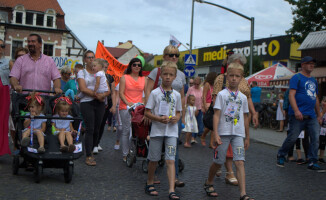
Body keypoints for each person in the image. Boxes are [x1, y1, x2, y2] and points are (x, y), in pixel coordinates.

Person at [204, 62, 254, 200]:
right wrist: (216, 134)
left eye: (237, 76)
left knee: (240, 162)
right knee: (219, 161)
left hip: (238, 134)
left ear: (241, 78)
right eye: (231, 75)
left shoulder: (243, 97)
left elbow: (245, 116)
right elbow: (216, 114)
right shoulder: (221, 95)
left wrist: (247, 137)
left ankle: (243, 194)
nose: (233, 78)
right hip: (223, 133)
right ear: (227, 76)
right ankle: (209, 182)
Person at [212, 53, 258, 185]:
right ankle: (229, 171)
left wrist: (253, 112)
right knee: (226, 148)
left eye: (242, 65)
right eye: (237, 64)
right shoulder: (221, 78)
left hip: (238, 118)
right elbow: (216, 97)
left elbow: (247, 97)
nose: (239, 67)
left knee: (234, 150)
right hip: (224, 119)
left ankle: (226, 169)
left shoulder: (243, 80)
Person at [145, 45, 186, 187]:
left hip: (173, 121)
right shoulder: (156, 71)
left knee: (173, 152)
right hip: (157, 116)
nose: (174, 57)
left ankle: (173, 181)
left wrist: (181, 116)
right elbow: (148, 90)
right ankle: (151, 175)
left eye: (176, 55)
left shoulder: (181, 74)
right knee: (154, 152)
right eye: (170, 54)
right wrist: (148, 112)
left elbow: (182, 96)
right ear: (164, 56)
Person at [276, 56, 324, 172]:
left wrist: (319, 115)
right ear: (303, 65)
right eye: (309, 63)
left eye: (313, 64)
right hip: (298, 115)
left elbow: (315, 98)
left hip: (311, 115)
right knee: (292, 137)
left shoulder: (313, 80)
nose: (311, 65)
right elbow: (292, 95)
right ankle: (281, 154)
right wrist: (297, 111)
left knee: (315, 138)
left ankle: (312, 161)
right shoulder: (296, 78)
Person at [77, 50, 110, 166]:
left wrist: (103, 96)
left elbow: (108, 89)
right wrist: (97, 95)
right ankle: (88, 155)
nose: (91, 59)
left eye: (92, 57)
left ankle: (92, 148)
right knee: (90, 128)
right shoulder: (82, 72)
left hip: (100, 102)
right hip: (87, 102)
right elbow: (83, 88)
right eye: (88, 57)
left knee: (97, 128)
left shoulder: (100, 72)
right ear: (84, 60)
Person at [119, 57, 146, 162]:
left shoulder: (144, 79)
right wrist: (127, 103)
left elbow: (145, 94)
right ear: (130, 66)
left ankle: (134, 150)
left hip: (138, 108)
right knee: (126, 130)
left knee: (137, 131)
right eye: (134, 64)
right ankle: (125, 154)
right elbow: (121, 93)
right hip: (126, 106)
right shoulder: (125, 77)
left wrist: (144, 103)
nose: (137, 67)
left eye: (139, 65)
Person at [96, 59, 115, 153]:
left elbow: (113, 92)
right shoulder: (96, 76)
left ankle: (97, 142)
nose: (105, 69)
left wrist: (114, 105)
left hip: (107, 103)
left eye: (106, 67)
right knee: (96, 124)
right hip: (96, 101)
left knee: (102, 123)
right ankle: (93, 143)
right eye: (103, 67)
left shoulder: (110, 77)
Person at [0, 39, 13, 156]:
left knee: (2, 120)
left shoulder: (8, 62)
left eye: (1, 46)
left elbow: (14, 77)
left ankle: (1, 148)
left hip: (3, 92)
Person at [200, 71, 218, 147]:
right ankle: (203, 135)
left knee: (213, 126)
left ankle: (211, 143)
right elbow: (203, 96)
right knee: (209, 125)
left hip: (213, 105)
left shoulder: (216, 85)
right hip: (207, 105)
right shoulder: (207, 84)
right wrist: (204, 105)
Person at [186, 77, 203, 144]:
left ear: (200, 83)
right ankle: (192, 138)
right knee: (192, 123)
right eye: (195, 84)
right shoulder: (191, 89)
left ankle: (195, 137)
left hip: (199, 108)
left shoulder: (202, 89)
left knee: (198, 124)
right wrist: (186, 106)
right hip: (191, 109)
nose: (196, 85)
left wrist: (203, 106)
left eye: (197, 84)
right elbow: (187, 97)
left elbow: (203, 98)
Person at [319, 98, 326, 163]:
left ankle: (321, 156)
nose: (324, 103)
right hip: (320, 128)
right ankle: (317, 156)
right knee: (319, 142)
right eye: (324, 101)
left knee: (323, 143)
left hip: (324, 128)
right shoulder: (319, 109)